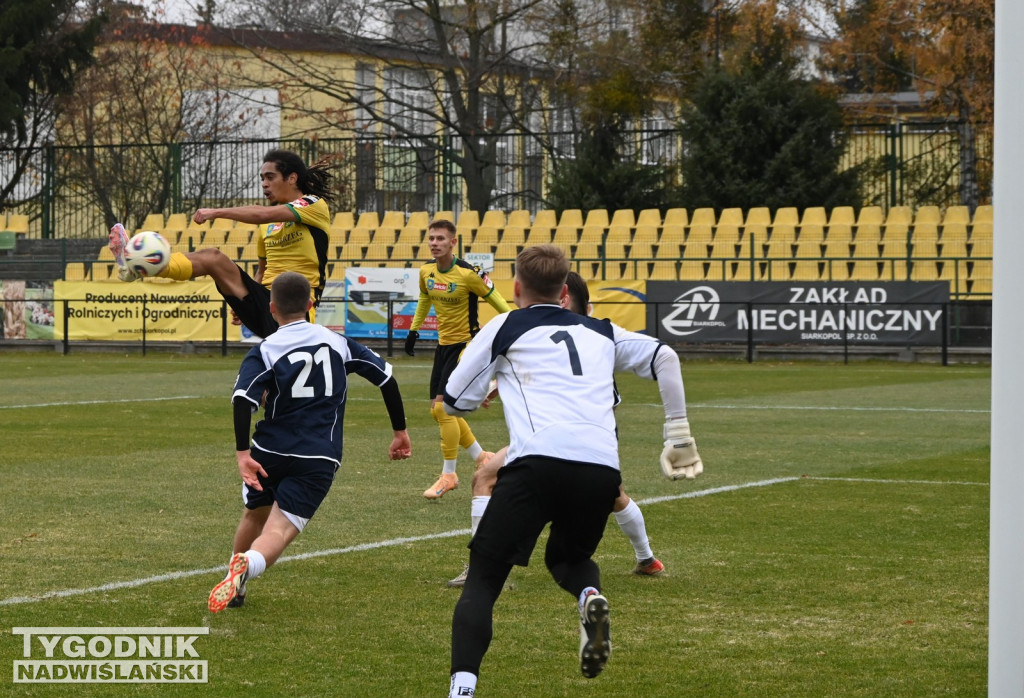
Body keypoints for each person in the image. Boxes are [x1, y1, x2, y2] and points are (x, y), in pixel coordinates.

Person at [442, 245, 703, 696]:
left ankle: (461, 691)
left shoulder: (505, 324)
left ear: (517, 288)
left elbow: (454, 399)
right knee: (568, 559)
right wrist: (678, 433)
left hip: (537, 462)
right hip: (600, 467)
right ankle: (588, 598)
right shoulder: (601, 330)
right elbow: (665, 356)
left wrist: (495, 376)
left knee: (484, 580)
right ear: (565, 291)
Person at [207, 271, 412, 613]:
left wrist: (243, 453)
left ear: (271, 308)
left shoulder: (267, 348)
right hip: (318, 455)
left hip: (268, 451)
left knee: (254, 512)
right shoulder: (338, 342)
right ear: (312, 304)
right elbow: (387, 379)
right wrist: (399, 432)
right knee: (280, 529)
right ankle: (249, 565)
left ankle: (236, 579)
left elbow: (243, 398)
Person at [446, 270, 664, 588]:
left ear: (562, 298)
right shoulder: (588, 339)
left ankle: (481, 569)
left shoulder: (568, 337)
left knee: (485, 478)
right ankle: (647, 559)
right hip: (593, 442)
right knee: (613, 496)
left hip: (552, 441)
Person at [109, 149, 333, 339]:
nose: (264, 184)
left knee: (280, 384)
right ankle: (135, 268)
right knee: (212, 258)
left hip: (296, 309)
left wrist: (216, 211)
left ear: (292, 178)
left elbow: (261, 214)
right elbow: (262, 271)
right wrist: (243, 298)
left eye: (270, 177)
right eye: (262, 178)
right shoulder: (268, 227)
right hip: (266, 303)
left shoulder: (313, 205)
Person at [404, 218, 512, 499]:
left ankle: (449, 474)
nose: (434, 243)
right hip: (443, 347)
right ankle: (481, 456)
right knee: (437, 410)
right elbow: (425, 299)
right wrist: (414, 330)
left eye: (440, 239)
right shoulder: (426, 272)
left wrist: (514, 327)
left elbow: (499, 302)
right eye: (431, 239)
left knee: (443, 410)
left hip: (467, 345)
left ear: (453, 242)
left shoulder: (469, 273)